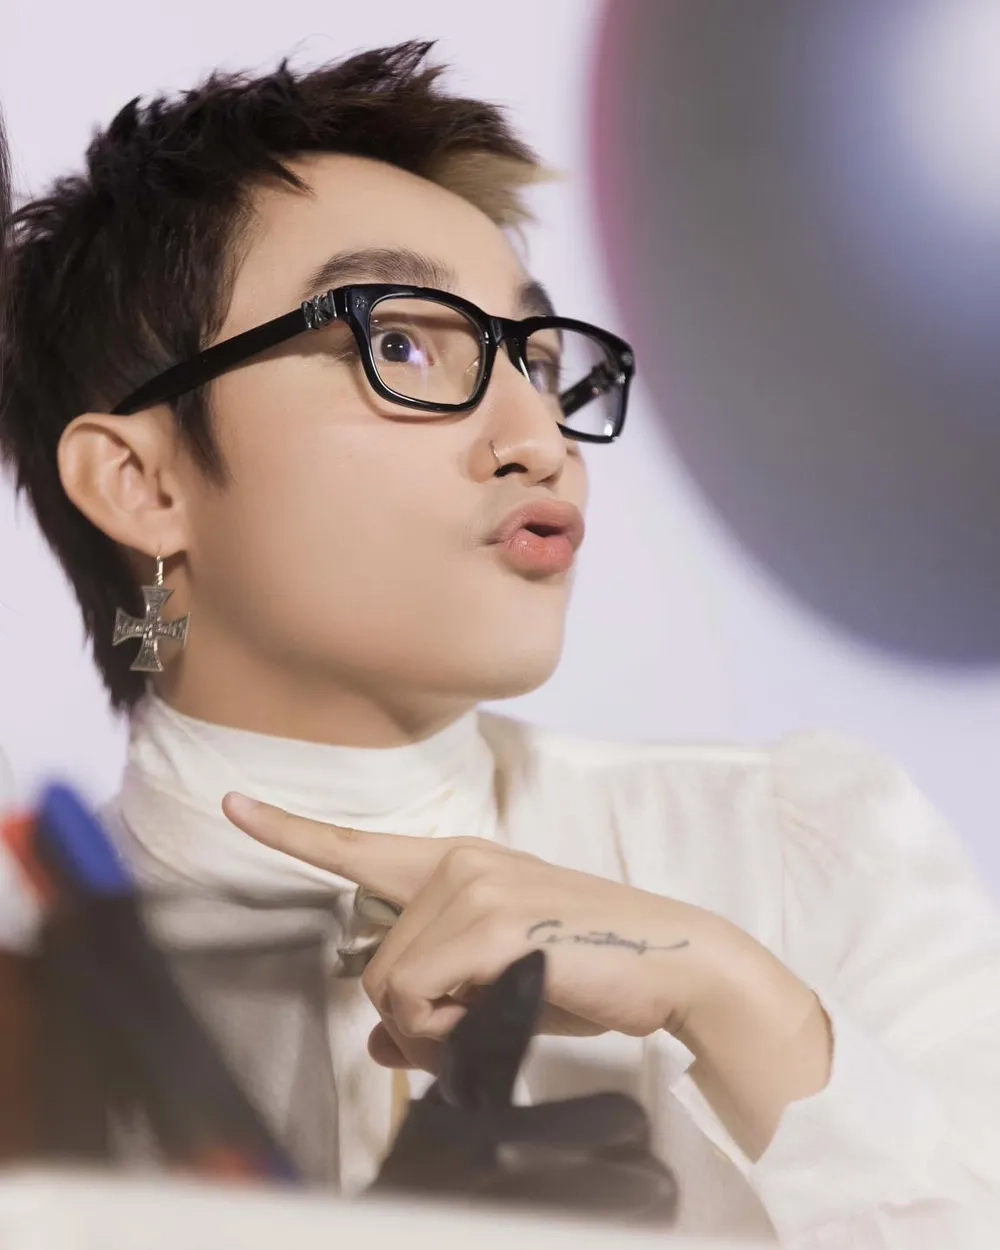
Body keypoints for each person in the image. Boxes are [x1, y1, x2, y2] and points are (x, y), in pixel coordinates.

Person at [1, 40, 998, 1246]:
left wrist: (740, 1003)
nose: (538, 436)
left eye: (539, 360)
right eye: (403, 343)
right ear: (143, 482)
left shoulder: (794, 851)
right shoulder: (29, 978)